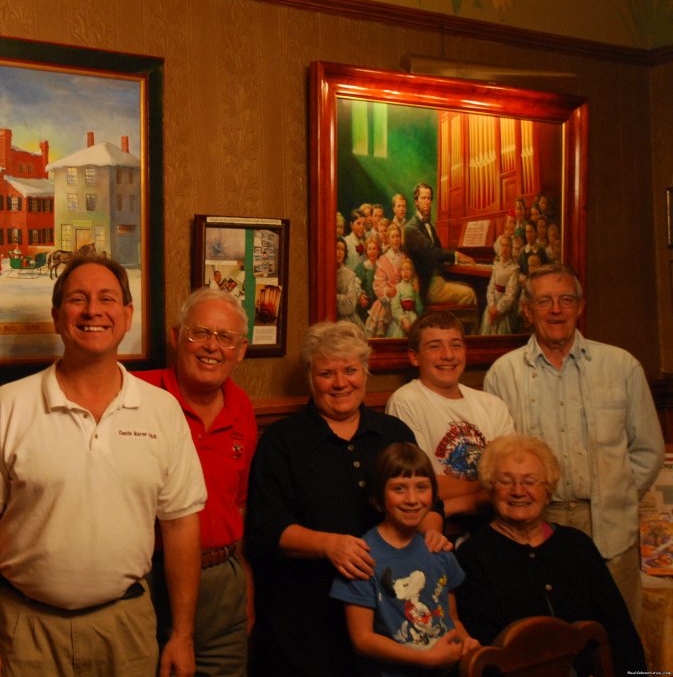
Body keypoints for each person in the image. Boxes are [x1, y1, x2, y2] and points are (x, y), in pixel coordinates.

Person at [0, 286, 258, 677]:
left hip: (216, 582)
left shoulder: (240, 409)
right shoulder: (144, 395)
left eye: (225, 338)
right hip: (142, 580)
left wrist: (244, 580)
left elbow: (235, 505)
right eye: (199, 333)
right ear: (175, 336)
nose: (211, 346)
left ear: (241, 349)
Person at [245, 320, 448, 677]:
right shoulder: (283, 441)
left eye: (351, 370)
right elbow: (265, 529)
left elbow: (431, 502)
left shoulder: (393, 433)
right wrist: (328, 545)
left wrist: (430, 533)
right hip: (306, 618)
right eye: (327, 373)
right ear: (311, 377)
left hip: (391, 613)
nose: (341, 383)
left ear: (365, 373)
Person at [483, 263, 665, 623]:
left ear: (580, 306)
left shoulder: (621, 366)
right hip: (535, 526)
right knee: (550, 637)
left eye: (566, 299)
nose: (556, 310)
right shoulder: (503, 374)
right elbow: (497, 461)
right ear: (527, 310)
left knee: (621, 639)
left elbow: (648, 450)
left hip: (609, 527)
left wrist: (619, 493)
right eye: (545, 301)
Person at [455, 434, 646, 675]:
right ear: (491, 489)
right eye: (505, 481)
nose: (518, 491)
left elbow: (619, 632)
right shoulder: (473, 556)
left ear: (548, 490)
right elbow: (486, 652)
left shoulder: (577, 546)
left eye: (530, 481)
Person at [331, 443, 479, 676]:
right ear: (380, 496)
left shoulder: (438, 549)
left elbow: (452, 619)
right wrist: (425, 659)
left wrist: (467, 643)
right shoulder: (363, 557)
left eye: (421, 487)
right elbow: (362, 639)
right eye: (399, 489)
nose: (412, 499)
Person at [385, 311, 514, 535]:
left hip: (496, 528)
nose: (448, 355)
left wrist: (465, 496)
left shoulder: (492, 405)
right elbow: (419, 485)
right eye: (435, 346)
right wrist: (485, 492)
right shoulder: (407, 401)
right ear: (415, 357)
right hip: (438, 532)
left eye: (455, 345)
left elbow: (513, 477)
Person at [402, 183, 477, 307]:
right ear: (416, 201)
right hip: (427, 286)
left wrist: (456, 260)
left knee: (468, 286)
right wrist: (456, 255)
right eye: (423, 198)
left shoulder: (429, 226)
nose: (427, 202)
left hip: (437, 280)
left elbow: (439, 251)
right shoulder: (411, 228)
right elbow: (432, 252)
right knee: (470, 293)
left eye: (429, 198)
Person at [479, 234, 520, 335]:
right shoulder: (497, 265)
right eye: (502, 245)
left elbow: (511, 294)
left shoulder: (514, 269)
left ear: (510, 249)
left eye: (507, 246)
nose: (504, 249)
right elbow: (491, 287)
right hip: (492, 306)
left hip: (504, 308)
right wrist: (492, 305)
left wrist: (498, 310)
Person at [386, 257, 421, 338]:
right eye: (403, 269)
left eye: (408, 269)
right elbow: (395, 306)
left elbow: (419, 308)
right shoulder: (398, 287)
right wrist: (403, 319)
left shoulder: (414, 286)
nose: (405, 272)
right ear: (400, 272)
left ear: (412, 272)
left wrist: (416, 293)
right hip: (401, 319)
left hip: (413, 318)